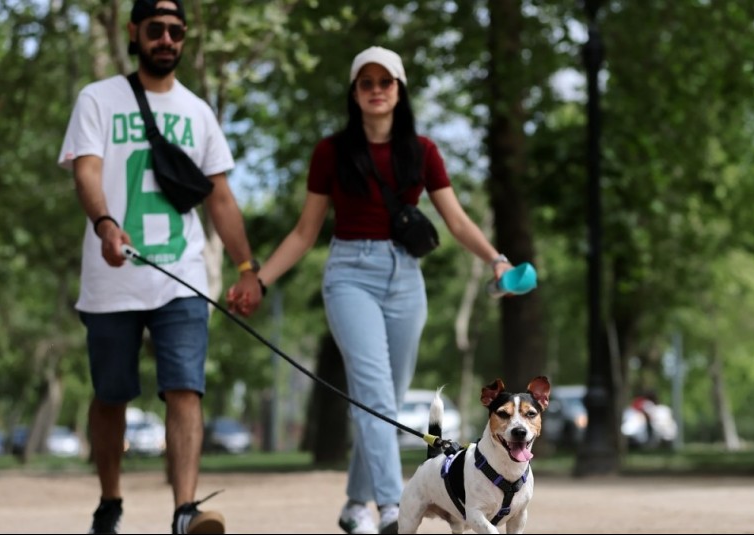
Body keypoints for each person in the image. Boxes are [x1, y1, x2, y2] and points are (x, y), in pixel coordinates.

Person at [227, 45, 514, 535]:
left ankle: (354, 503)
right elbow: (303, 232)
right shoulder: (331, 153)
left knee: (383, 397)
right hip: (349, 274)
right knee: (376, 397)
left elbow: (457, 219)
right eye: (367, 83)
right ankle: (389, 506)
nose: (377, 90)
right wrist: (258, 278)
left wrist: (496, 259)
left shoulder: (422, 152)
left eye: (386, 82)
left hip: (406, 278)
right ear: (355, 92)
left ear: (399, 91)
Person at [57, 1, 263, 533]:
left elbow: (220, 197)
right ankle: (110, 503)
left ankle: (184, 511)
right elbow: (87, 170)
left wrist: (246, 267)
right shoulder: (97, 99)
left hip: (183, 276)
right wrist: (104, 223)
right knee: (111, 394)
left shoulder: (198, 111)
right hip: (111, 276)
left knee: (185, 388)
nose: (167, 38)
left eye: (176, 31)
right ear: (134, 32)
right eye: (156, 29)